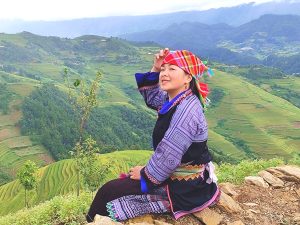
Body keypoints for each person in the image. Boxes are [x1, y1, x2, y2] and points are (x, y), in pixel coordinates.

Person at [86, 48, 220, 222]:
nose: (164, 73)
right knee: (114, 188)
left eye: (172, 69)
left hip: (183, 187)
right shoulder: (176, 99)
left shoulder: (187, 111)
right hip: (176, 174)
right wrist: (155, 68)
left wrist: (144, 172)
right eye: (164, 69)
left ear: (188, 77)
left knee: (109, 191)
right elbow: (152, 97)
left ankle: (90, 221)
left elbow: (168, 155)